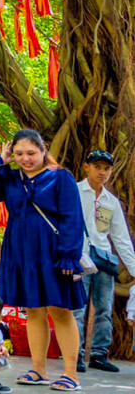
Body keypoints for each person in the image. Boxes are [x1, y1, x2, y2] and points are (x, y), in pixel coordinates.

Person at [0, 128, 86, 392]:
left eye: (31, 153)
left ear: (43, 150)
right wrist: (0, 161)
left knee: (60, 310)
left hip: (53, 252)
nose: (25, 158)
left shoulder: (60, 177)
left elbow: (72, 218)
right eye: (19, 153)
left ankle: (71, 373)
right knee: (33, 310)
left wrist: (69, 256)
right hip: (20, 250)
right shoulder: (10, 177)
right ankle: (38, 369)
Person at [76, 148, 135, 373]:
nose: (102, 172)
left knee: (104, 307)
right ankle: (78, 354)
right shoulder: (74, 192)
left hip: (103, 258)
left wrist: (133, 269)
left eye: (107, 168)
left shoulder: (111, 202)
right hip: (79, 257)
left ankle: (100, 354)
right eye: (97, 167)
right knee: (78, 307)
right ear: (86, 166)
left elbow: (121, 238)